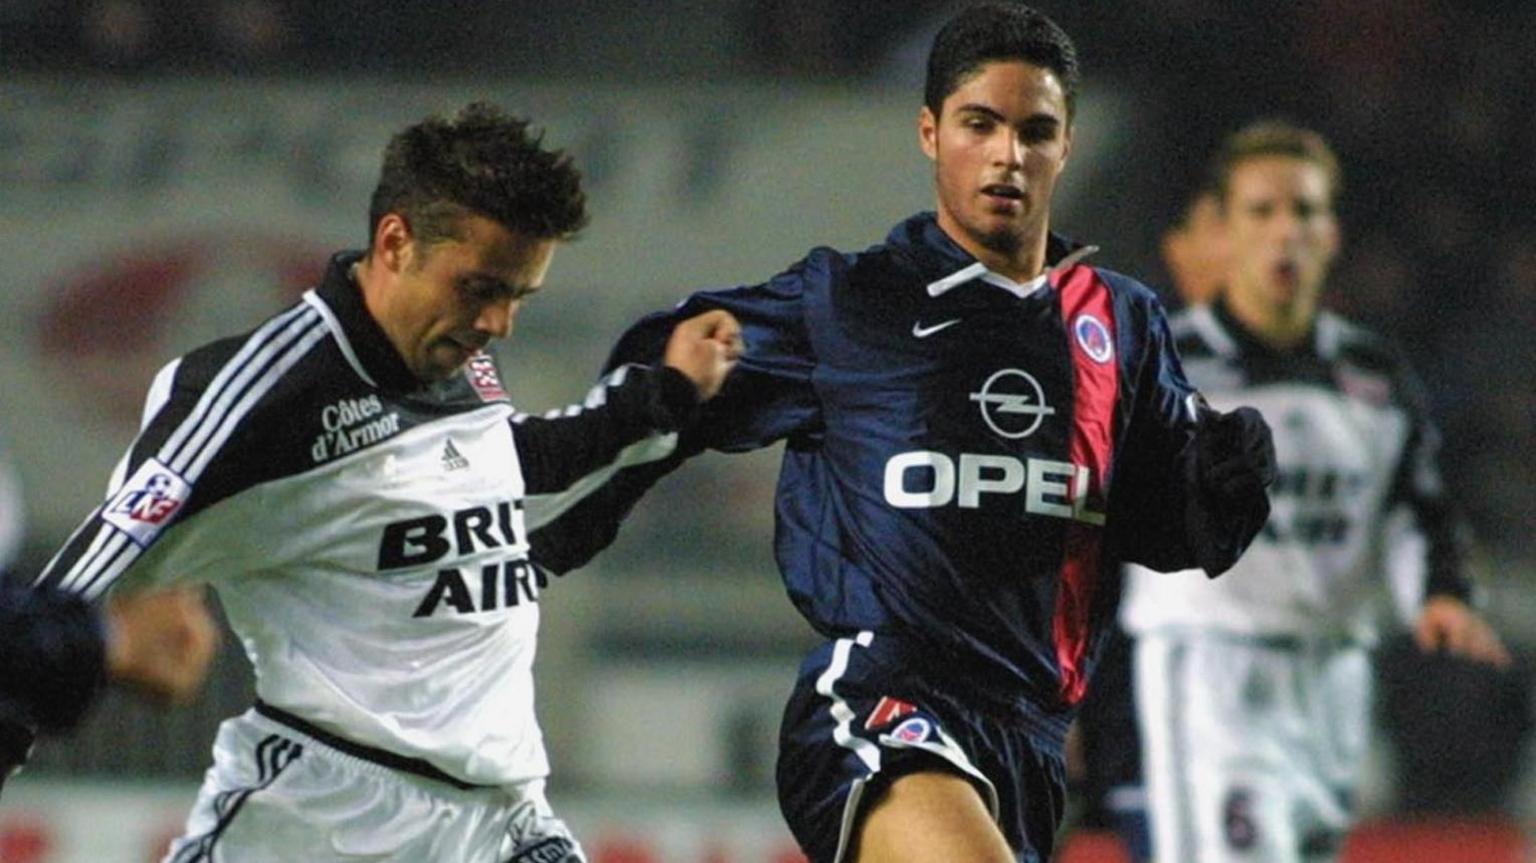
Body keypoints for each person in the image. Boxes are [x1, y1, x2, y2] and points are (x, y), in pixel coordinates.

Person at [574, 5, 1278, 861]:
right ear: (929, 132)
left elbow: (1164, 528)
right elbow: (666, 380)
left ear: (1067, 145)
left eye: (1035, 130)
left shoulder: (1120, 323)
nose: (1006, 155)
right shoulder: (850, 302)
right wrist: (665, 375)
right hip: (880, 703)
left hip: (1031, 739)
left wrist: (1230, 489)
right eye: (979, 124)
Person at [15, 102, 741, 861]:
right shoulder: (262, 398)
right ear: (396, 242)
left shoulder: (456, 360)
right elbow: (55, 611)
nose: (498, 322)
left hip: (502, 821)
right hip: (325, 819)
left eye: (517, 297)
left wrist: (666, 394)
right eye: (480, 288)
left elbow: (506, 484)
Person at [1118, 119, 1510, 863]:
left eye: (1304, 210)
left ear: (1331, 232)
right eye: (1261, 211)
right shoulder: (1166, 365)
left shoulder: (1374, 372)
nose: (1284, 232)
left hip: (1334, 672)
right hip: (1210, 667)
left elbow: (1416, 506)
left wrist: (1443, 592)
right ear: (1225, 232)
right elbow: (1103, 524)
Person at [1065, 182, 1235, 862]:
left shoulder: (1320, 378)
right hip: (1119, 681)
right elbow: (1070, 524)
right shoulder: (1124, 360)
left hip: (1230, 696)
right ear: (1180, 249)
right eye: (1221, 224)